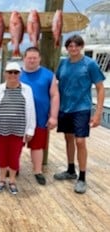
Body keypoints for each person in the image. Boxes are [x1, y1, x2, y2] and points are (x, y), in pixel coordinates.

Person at [54, 34, 105, 194]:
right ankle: (70, 170)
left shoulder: (90, 64)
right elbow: (54, 84)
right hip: (64, 108)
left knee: (80, 141)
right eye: (70, 46)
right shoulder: (62, 63)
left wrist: (98, 113)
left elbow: (100, 88)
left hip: (81, 108)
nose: (73, 48)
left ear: (81, 47)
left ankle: (82, 177)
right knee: (68, 139)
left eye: (76, 45)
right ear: (67, 48)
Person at [0, 62, 36, 195]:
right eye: (10, 72)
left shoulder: (27, 89)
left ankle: (12, 181)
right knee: (2, 156)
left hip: (19, 130)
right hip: (1, 129)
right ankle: (2, 180)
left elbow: (31, 110)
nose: (13, 75)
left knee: (15, 156)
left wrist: (30, 130)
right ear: (5, 74)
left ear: (20, 74)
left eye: (16, 72)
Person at [20, 46, 60, 185]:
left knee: (37, 146)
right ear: (24, 58)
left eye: (34, 58)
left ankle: (38, 171)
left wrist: (54, 116)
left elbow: (55, 95)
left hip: (40, 117)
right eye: (29, 58)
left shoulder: (49, 75)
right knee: (16, 144)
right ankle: (13, 167)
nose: (32, 60)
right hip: (18, 117)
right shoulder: (15, 73)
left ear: (39, 59)